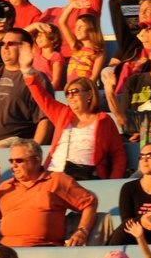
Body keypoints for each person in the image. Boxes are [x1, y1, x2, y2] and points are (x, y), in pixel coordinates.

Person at [21, 48, 126, 180]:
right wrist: (27, 71)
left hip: (85, 176)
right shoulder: (62, 113)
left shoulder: (104, 120)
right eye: (67, 93)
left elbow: (118, 154)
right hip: (54, 174)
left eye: (75, 91)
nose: (70, 96)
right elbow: (42, 97)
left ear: (89, 94)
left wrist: (113, 182)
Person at [0, 138, 97, 247]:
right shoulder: (6, 186)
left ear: (36, 160)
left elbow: (90, 203)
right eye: (11, 161)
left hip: (44, 248)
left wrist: (82, 231)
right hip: (6, 250)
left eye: (19, 161)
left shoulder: (57, 180)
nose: (13, 165)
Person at [0, 24, 51, 148]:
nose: (5, 47)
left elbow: (45, 119)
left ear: (25, 48)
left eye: (11, 44)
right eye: (2, 44)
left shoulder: (37, 77)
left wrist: (33, 151)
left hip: (7, 143)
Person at [107, 143, 151, 246]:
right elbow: (126, 220)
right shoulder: (129, 188)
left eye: (150, 156)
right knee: (125, 227)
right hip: (134, 235)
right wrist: (142, 220)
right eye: (141, 156)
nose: (144, 160)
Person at [58, 1, 105, 83]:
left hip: (84, 89)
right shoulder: (75, 46)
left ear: (91, 28)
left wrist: (85, 90)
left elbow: (94, 76)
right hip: (71, 89)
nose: (77, 29)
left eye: (81, 26)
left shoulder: (98, 52)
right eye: (76, 26)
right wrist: (71, 6)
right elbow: (62, 22)